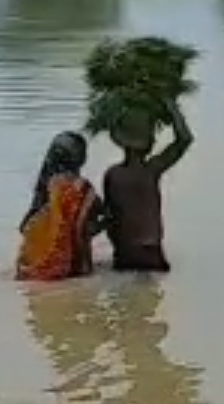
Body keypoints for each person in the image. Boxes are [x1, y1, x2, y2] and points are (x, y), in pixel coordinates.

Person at [103, 97, 193, 273]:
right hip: (150, 251)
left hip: (124, 253)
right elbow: (184, 139)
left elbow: (110, 219)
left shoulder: (113, 175)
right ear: (149, 144)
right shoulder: (151, 170)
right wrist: (173, 109)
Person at [15, 131, 105, 282]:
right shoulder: (82, 189)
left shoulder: (46, 188)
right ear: (82, 159)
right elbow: (87, 226)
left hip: (35, 269)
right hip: (73, 269)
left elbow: (25, 228)